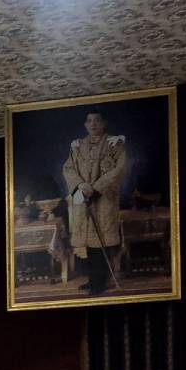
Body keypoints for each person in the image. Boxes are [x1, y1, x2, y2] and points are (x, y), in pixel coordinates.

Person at [62, 109, 128, 295]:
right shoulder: (77, 146)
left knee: (103, 240)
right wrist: (81, 185)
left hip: (104, 199)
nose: (93, 124)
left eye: (97, 121)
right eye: (89, 121)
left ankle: (101, 281)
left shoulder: (114, 144)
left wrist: (96, 188)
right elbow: (68, 168)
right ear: (85, 125)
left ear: (104, 123)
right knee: (90, 243)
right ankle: (93, 279)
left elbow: (119, 170)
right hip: (84, 198)